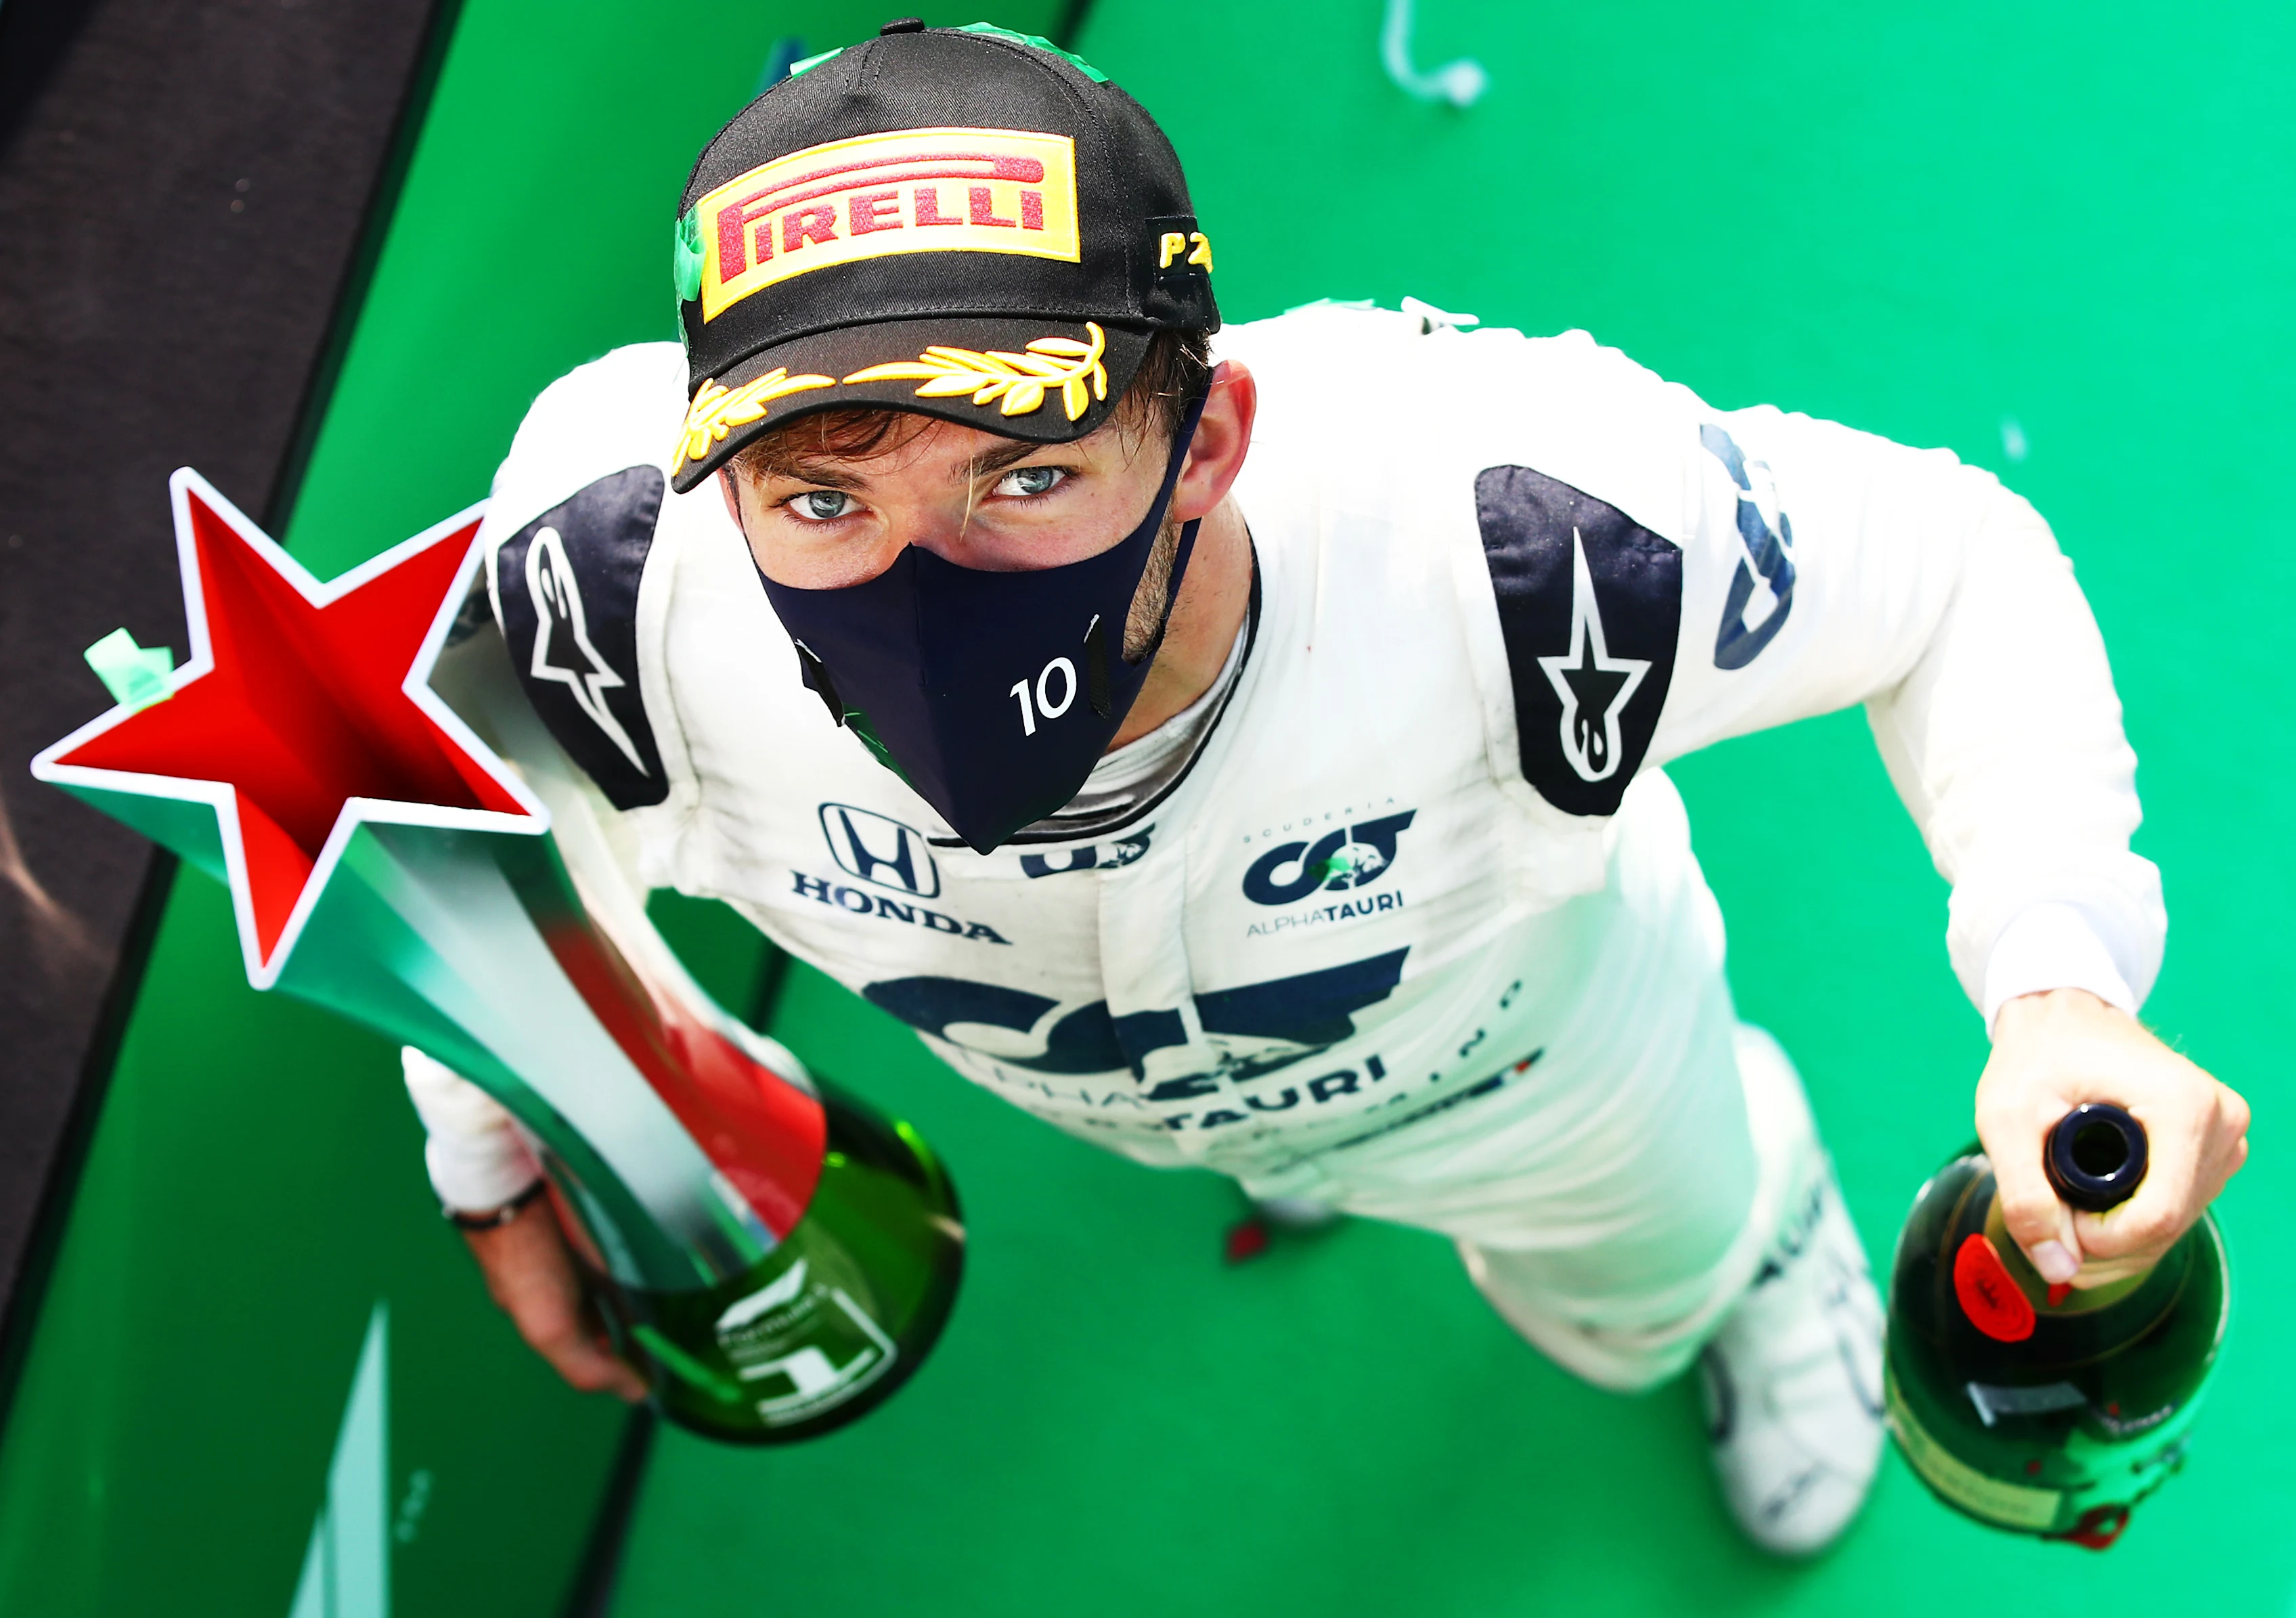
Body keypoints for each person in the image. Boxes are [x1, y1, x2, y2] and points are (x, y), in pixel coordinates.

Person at [402, 20, 2249, 1555]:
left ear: (1207, 435)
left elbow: (1951, 574)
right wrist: (489, 1166)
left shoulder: (1522, 525)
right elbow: (435, 830)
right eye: (822, 495)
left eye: (1024, 474)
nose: (920, 584)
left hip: (1550, 1083)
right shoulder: (613, 571)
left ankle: (1761, 1235)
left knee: (1639, 1302)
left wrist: (2060, 983)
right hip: (1131, 1102)